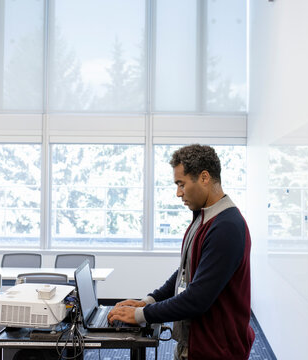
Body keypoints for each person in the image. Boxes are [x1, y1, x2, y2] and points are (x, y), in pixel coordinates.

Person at [107, 144, 255, 360]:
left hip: (217, 351)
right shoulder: (203, 217)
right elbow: (188, 269)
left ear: (204, 177)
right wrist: (150, 300)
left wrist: (141, 315)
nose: (178, 193)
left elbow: (197, 299)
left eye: (181, 184)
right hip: (195, 344)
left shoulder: (226, 226)